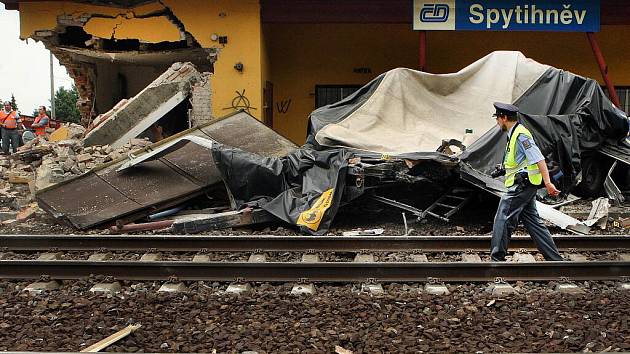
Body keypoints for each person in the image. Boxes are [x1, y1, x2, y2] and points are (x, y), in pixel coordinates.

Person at [490, 102, 563, 262]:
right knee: (534, 223)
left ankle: (496, 260)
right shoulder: (513, 133)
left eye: (497, 119)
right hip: (524, 185)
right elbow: (518, 162)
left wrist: (548, 183)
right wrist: (503, 169)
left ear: (503, 118)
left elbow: (539, 159)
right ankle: (555, 260)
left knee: (503, 217)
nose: (497, 122)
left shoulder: (521, 135)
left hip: (522, 185)